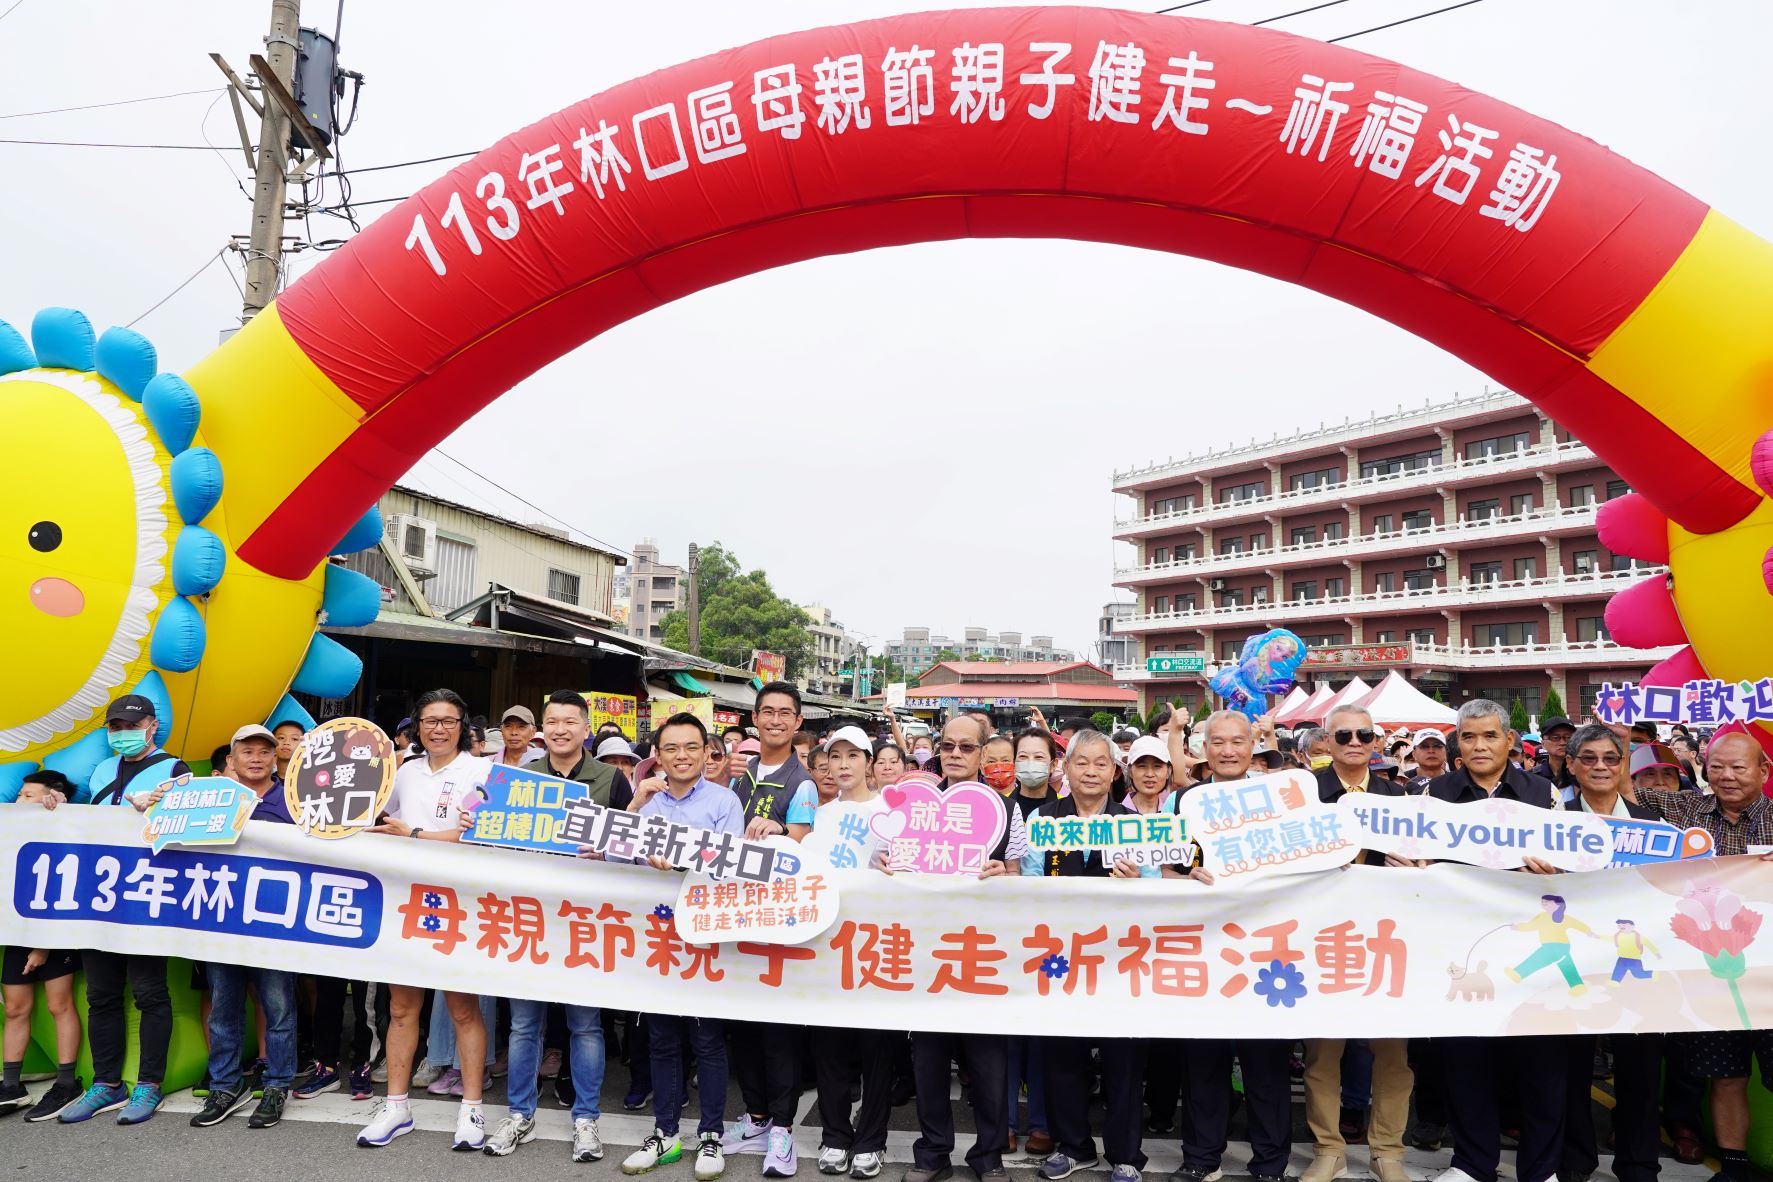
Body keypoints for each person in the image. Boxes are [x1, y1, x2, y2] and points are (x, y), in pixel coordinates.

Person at [1425, 699, 1564, 1182]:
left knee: (1540, 1060)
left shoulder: (1543, 792)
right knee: (1466, 1059)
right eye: (1468, 737)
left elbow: (1570, 862)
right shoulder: (1434, 794)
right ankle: (1471, 1163)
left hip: (1529, 945)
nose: (1479, 746)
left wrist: (1557, 867)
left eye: (1489, 736)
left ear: (1510, 740)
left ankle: (1541, 1168)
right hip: (1463, 946)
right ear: (1457, 743)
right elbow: (1417, 859)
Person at [1627, 729, 1773, 1182]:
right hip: (1712, 976)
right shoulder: (1684, 809)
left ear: (1764, 771)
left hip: (1769, 974)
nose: (1726, 776)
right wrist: (1621, 746)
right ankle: (1732, 1168)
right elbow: (1620, 787)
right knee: (1726, 1076)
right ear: (1703, 770)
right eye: (1716, 767)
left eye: (1738, 766)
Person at [358, 688, 492, 1151]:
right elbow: (369, 820)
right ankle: (396, 1106)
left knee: (462, 1008)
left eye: (448, 720)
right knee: (400, 1008)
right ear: (417, 727)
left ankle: (472, 1108)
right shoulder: (400, 771)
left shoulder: (482, 771)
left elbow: (478, 835)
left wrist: (415, 834)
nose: (438, 728)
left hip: (458, 903)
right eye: (430, 720)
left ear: (463, 727)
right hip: (404, 902)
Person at [1022, 731, 1155, 1182]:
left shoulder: (1131, 822)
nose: (1092, 772)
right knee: (1062, 1056)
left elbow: (1157, 888)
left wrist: (1137, 878)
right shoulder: (1044, 818)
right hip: (1060, 957)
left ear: (1115, 772)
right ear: (1066, 768)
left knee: (1123, 1060)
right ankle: (1074, 1145)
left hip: (1119, 959)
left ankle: (1125, 1154)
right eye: (1082, 763)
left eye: (1102, 764)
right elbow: (1029, 879)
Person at [901, 713, 1027, 1182]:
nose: (955, 754)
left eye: (966, 747)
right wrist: (885, 862)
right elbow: (888, 866)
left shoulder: (1006, 808)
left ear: (982, 752)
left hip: (983, 953)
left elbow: (1020, 875)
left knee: (989, 1066)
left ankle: (988, 1158)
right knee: (928, 1062)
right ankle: (932, 1154)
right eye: (948, 746)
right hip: (926, 952)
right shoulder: (915, 801)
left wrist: (1004, 874)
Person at [56, 693, 191, 1127]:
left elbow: (193, 830)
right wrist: (50, 806)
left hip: (147, 897)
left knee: (150, 993)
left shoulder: (175, 770)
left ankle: (149, 1084)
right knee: (101, 995)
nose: (122, 734)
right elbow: (79, 821)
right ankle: (106, 1082)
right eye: (115, 727)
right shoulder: (99, 770)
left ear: (152, 725)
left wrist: (160, 809)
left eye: (131, 726)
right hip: (98, 898)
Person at [618, 712, 742, 1181]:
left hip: (705, 931)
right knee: (662, 1036)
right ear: (658, 756)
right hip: (656, 933)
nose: (682, 757)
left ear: (708, 751)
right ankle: (665, 1132)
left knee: (707, 1037)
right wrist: (635, 804)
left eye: (691, 747)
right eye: (671, 749)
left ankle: (710, 1135)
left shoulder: (724, 800)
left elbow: (730, 863)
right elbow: (612, 854)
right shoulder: (647, 799)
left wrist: (682, 861)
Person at [1172, 710, 1292, 1182]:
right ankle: (1202, 1158)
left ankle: (1270, 1162)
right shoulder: (1183, 801)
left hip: (1265, 949)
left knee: (1265, 1064)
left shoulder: (1277, 797)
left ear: (1253, 744)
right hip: (1202, 947)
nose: (1227, 751)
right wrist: (1186, 874)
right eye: (1216, 742)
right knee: (1204, 1062)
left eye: (1237, 742)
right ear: (1203, 747)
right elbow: (1165, 869)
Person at [1299, 706, 1413, 1182]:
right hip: (1322, 939)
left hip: (1387, 941)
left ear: (1376, 741)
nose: (1353, 740)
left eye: (1363, 733)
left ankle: (1388, 1150)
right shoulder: (1304, 799)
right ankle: (1329, 1147)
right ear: (1325, 741)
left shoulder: (1400, 799)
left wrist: (1415, 866)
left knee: (1392, 1055)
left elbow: (1427, 866)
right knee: (1323, 1054)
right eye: (1342, 733)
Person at [1555, 723, 1664, 1182]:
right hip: (1573, 961)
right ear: (1572, 765)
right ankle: (1576, 1161)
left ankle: (1639, 1163)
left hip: (1632, 962)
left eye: (1610, 759)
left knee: (1639, 1068)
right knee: (1571, 1066)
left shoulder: (1654, 828)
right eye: (1590, 759)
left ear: (1623, 766)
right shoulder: (1549, 824)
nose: (1600, 767)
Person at [726, 683, 818, 1172]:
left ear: (797, 722)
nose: (776, 720)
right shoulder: (737, 778)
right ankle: (756, 1114)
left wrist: (780, 831)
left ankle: (782, 1128)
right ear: (755, 719)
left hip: (779, 921)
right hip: (735, 919)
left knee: (779, 1029)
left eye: (786, 713)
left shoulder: (800, 781)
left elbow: (802, 837)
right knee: (744, 1027)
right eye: (768, 712)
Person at [192, 725, 300, 1130]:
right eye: (247, 752)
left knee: (278, 1007)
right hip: (222, 918)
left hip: (276, 921)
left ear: (275, 758)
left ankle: (276, 1085)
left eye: (264, 751)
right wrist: (149, 803)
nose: (255, 758)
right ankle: (224, 1085)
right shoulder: (212, 798)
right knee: (223, 1009)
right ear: (232, 759)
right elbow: (167, 826)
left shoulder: (296, 798)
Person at [802, 728, 893, 1179]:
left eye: (852, 756)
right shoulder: (822, 816)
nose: (842, 765)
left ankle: (871, 1139)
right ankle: (834, 1135)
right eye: (834, 756)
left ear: (870, 762)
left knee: (877, 1045)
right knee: (831, 1046)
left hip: (878, 942)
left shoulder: (890, 813)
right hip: (829, 943)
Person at [1, 771, 85, 1122]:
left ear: (53, 798)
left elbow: (62, 894)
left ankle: (67, 1082)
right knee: (15, 1009)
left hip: (56, 934)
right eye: (19, 795)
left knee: (58, 1005)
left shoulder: (66, 833)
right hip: (18, 934)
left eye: (29, 795)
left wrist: (43, 947)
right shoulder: (11, 833)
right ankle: (11, 1085)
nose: (20, 801)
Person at [1011, 728, 1058, 820]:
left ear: (1053, 765)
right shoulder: (1002, 806)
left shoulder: (1067, 808)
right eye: (1023, 756)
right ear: (1014, 763)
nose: (1030, 763)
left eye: (1039, 757)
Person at [1531, 715, 1577, 796]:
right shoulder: (1532, 777)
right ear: (1543, 744)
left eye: (1568, 737)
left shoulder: (1581, 774)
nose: (1563, 743)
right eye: (1555, 738)